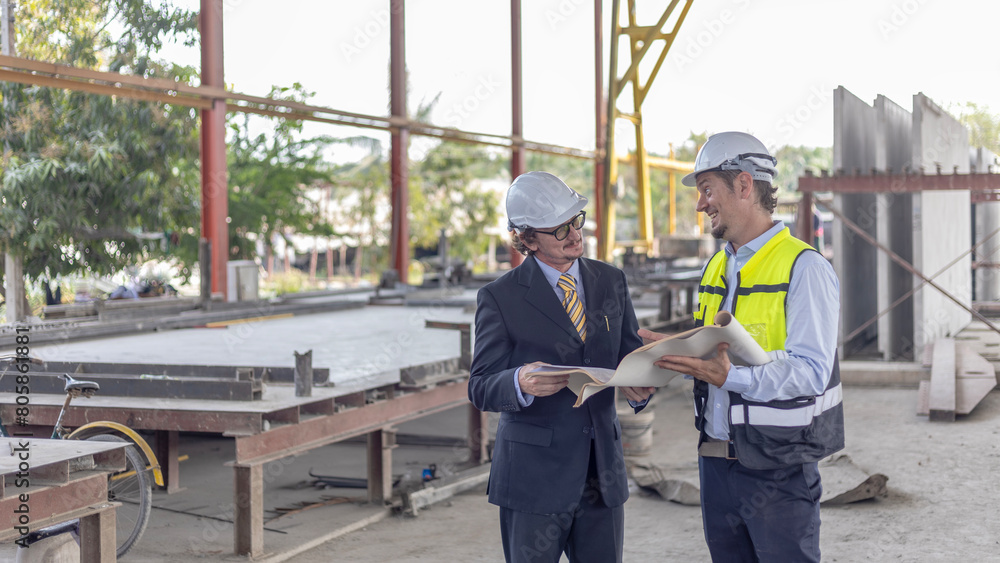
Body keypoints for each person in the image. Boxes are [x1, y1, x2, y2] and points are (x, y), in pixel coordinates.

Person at [639, 132, 844, 562]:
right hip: (715, 461)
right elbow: (715, 352)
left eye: (707, 189)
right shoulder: (716, 265)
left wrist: (732, 377)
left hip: (778, 468)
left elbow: (811, 370)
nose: (700, 204)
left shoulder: (804, 268)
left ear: (745, 186)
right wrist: (667, 357)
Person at [468, 171, 654, 563]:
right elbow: (481, 385)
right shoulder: (499, 298)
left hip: (601, 473)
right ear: (527, 238)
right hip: (534, 479)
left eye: (576, 221)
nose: (574, 235)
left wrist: (642, 386)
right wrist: (518, 381)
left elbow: (630, 356)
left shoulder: (611, 281)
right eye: (559, 230)